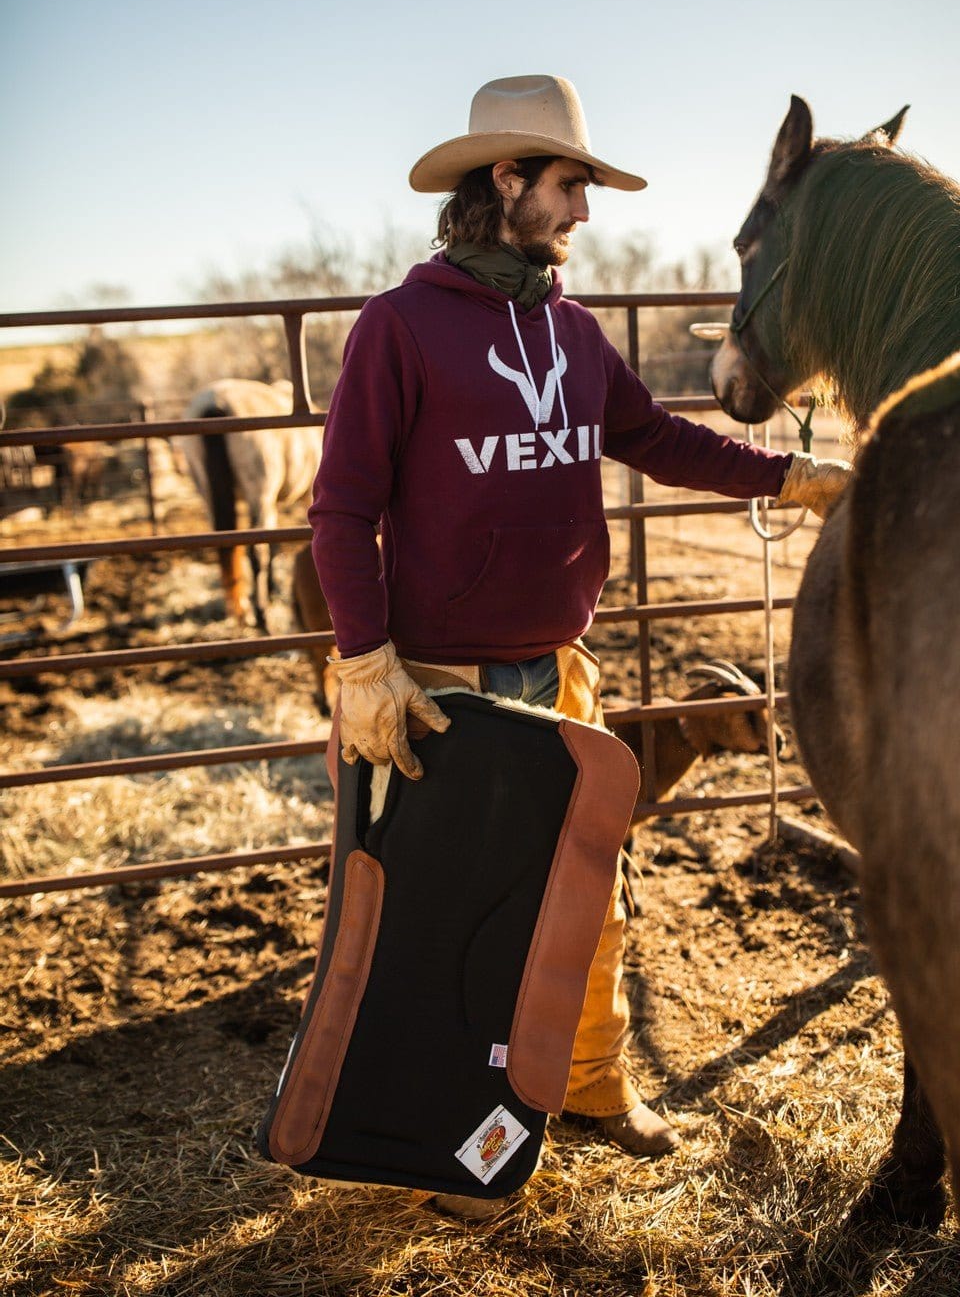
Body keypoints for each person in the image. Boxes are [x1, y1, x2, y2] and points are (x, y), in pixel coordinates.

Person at [307, 74, 850, 1217]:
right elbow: (342, 507)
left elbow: (652, 437)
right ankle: (447, 1134)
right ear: (506, 182)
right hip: (441, 684)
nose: (585, 212)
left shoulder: (571, 329)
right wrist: (366, 661)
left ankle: (597, 1084)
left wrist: (791, 477)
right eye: (570, 186)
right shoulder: (399, 329)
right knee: (447, 915)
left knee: (586, 895)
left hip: (556, 666)